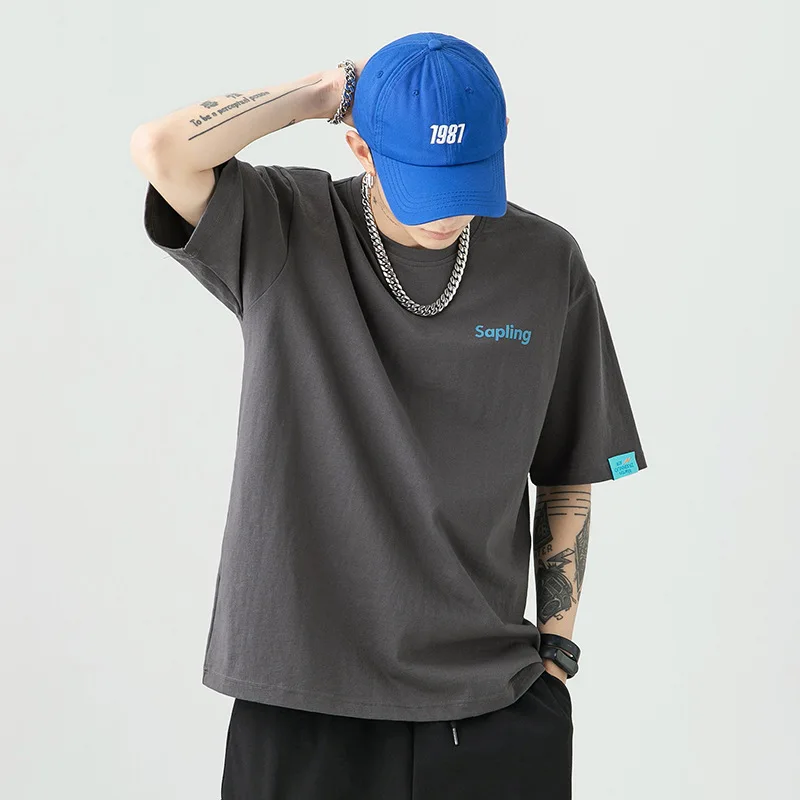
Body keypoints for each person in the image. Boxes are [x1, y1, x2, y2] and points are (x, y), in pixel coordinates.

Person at [131, 31, 648, 800]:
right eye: (423, 180)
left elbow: (571, 468)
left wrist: (557, 655)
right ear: (361, 148)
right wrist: (326, 91)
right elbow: (163, 150)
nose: (448, 213)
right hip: (299, 697)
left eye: (467, 178)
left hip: (493, 700)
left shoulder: (547, 262)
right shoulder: (284, 224)